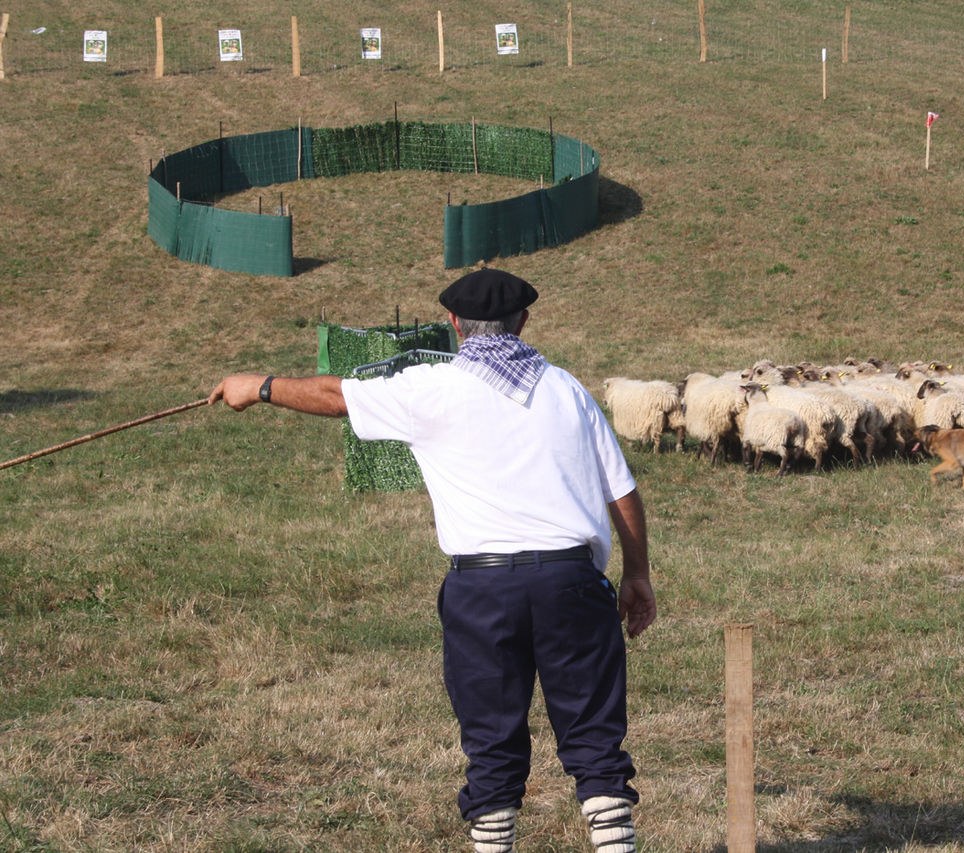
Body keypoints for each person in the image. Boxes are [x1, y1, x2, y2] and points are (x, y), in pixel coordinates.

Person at [209, 268, 656, 853]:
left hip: (483, 591)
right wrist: (637, 573)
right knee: (594, 735)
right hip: (572, 583)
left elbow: (334, 395)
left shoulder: (430, 387)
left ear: (453, 325)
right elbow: (621, 491)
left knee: (492, 739)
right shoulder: (565, 389)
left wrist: (260, 385)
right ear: (524, 321)